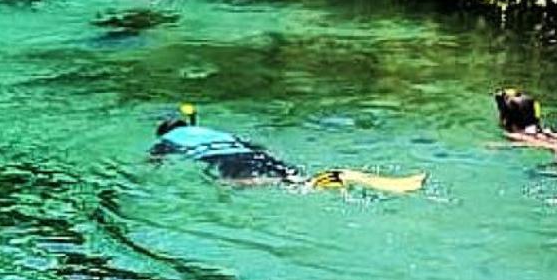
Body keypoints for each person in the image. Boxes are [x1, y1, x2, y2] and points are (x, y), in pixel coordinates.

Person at [152, 106, 425, 194]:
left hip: (229, 162)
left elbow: (154, 161)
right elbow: (259, 147)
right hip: (253, 155)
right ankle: (333, 178)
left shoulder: (168, 140)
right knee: (296, 177)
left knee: (225, 185)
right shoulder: (215, 131)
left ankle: (312, 184)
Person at [494, 88, 557, 164]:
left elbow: (532, 143)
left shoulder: (516, 134)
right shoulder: (544, 133)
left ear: (507, 120)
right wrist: (554, 136)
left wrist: (501, 146)